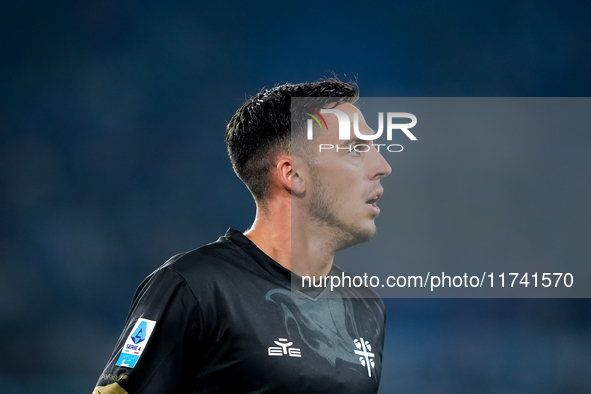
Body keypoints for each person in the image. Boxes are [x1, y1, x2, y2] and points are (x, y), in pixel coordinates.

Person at [92, 78, 392, 394]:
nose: (382, 165)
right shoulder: (195, 287)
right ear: (294, 175)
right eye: (356, 149)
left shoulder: (365, 305)